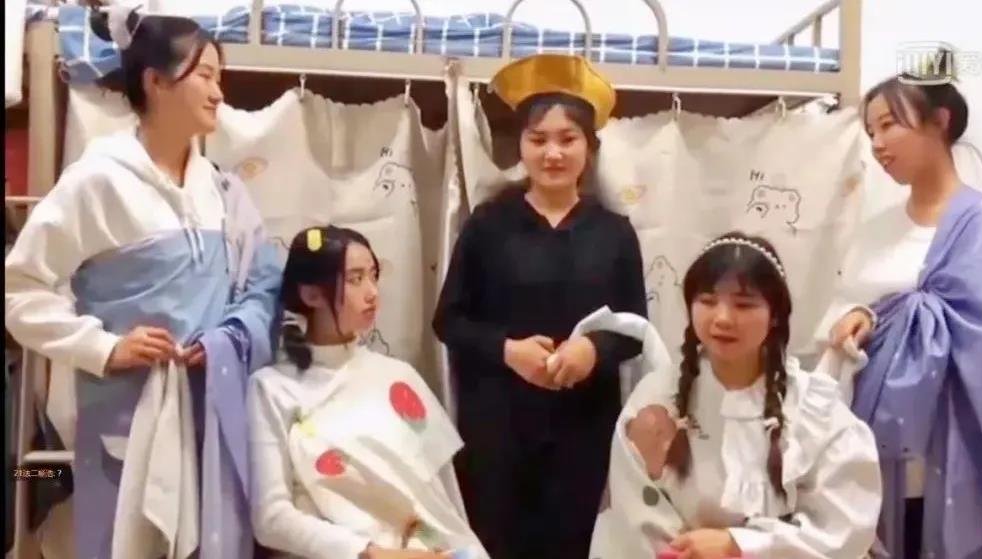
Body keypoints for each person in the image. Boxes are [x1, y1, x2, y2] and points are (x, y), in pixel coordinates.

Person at [4, 6, 281, 558]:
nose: (218, 93)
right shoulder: (98, 180)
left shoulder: (220, 190)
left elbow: (262, 283)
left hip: (210, 413)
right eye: (205, 75)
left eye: (219, 78)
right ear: (155, 81)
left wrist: (226, 338)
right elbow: (20, 289)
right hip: (126, 424)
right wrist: (105, 347)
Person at [432, 53, 648, 559]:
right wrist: (508, 350)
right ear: (520, 146)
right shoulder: (487, 225)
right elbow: (449, 321)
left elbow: (636, 326)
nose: (553, 153)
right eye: (538, 139)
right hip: (497, 430)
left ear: (589, 148)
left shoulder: (614, 233)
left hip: (583, 430)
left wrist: (592, 350)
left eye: (568, 139)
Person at [817, 56, 982, 559]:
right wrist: (860, 319)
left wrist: (913, 318)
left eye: (889, 124)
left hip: (949, 450)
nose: (877, 143)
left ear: (940, 122)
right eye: (871, 131)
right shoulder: (875, 230)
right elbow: (843, 313)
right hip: (873, 445)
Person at [590, 232, 883, 559]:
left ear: (775, 315)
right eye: (707, 301)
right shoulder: (654, 401)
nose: (723, 318)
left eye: (744, 304)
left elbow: (842, 526)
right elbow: (633, 520)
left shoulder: (815, 408)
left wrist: (741, 545)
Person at [248, 226, 487, 559]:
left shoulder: (399, 378)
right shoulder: (272, 389)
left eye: (374, 276)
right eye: (355, 279)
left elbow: (443, 500)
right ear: (311, 294)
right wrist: (368, 552)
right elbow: (271, 518)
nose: (372, 292)